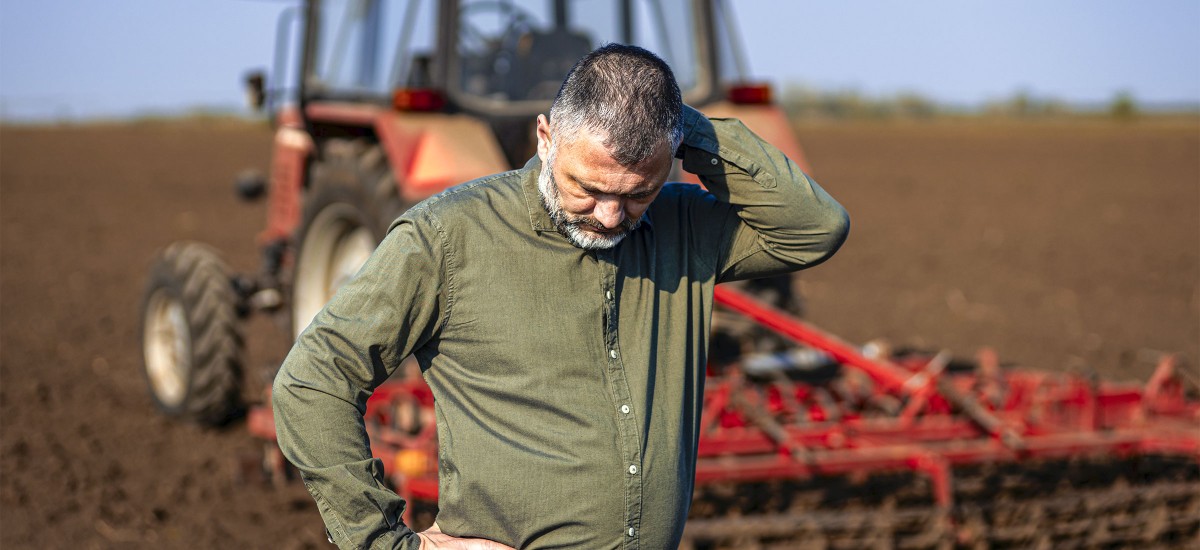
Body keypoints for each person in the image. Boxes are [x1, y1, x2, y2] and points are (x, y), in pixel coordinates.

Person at [272, 44, 849, 549]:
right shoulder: (448, 236)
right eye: (588, 188)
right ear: (546, 138)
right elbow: (313, 379)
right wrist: (384, 542)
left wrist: (683, 126)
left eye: (639, 194)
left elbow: (814, 229)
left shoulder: (683, 229)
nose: (610, 216)